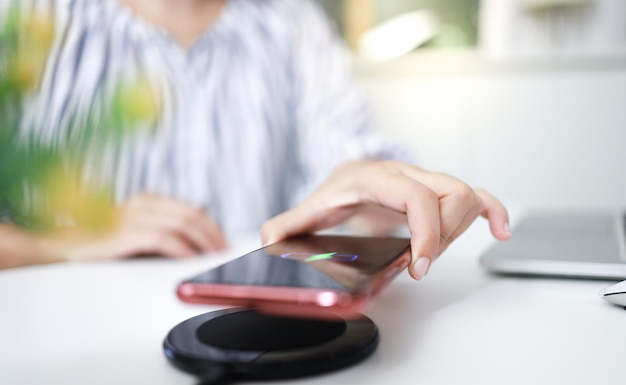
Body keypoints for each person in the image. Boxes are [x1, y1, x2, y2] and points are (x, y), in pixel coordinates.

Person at [0, 0, 511, 279]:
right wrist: (65, 242)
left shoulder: (292, 23)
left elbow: (348, 161)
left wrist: (366, 181)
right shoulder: (25, 23)